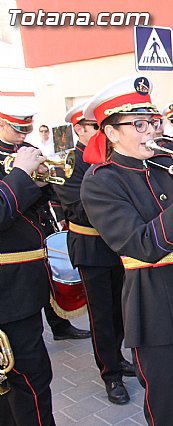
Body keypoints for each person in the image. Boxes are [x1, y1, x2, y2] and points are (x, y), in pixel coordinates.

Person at [79, 75, 173, 425]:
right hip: (155, 307)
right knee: (169, 411)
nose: (151, 130)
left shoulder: (165, 164)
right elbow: (144, 245)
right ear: (112, 133)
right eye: (139, 124)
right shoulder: (101, 181)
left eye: (153, 121)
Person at [53, 103, 134, 405]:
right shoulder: (71, 163)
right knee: (101, 315)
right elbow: (79, 208)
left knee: (121, 310)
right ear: (80, 128)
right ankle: (110, 374)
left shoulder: (112, 159)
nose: (100, 131)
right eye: (93, 126)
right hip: (92, 248)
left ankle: (118, 356)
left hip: (119, 246)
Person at [0, 100, 55, 425]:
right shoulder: (16, 160)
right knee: (29, 377)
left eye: (26, 128)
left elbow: (26, 209)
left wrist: (41, 181)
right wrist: (21, 172)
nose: (23, 135)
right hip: (8, 291)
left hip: (22, 284)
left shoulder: (20, 152)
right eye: (17, 128)